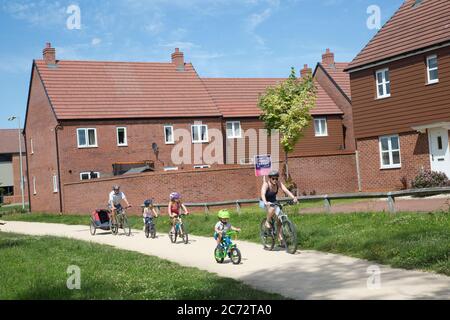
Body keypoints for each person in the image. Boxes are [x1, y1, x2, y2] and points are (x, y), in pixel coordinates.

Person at [260, 170, 298, 245]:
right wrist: (265, 202)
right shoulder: (266, 184)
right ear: (269, 178)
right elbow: (262, 194)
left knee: (280, 217)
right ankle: (267, 221)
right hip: (263, 202)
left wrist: (293, 197)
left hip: (273, 202)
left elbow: (286, 190)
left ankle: (279, 237)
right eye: (273, 179)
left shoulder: (278, 183)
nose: (275, 180)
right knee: (272, 208)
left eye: (276, 178)